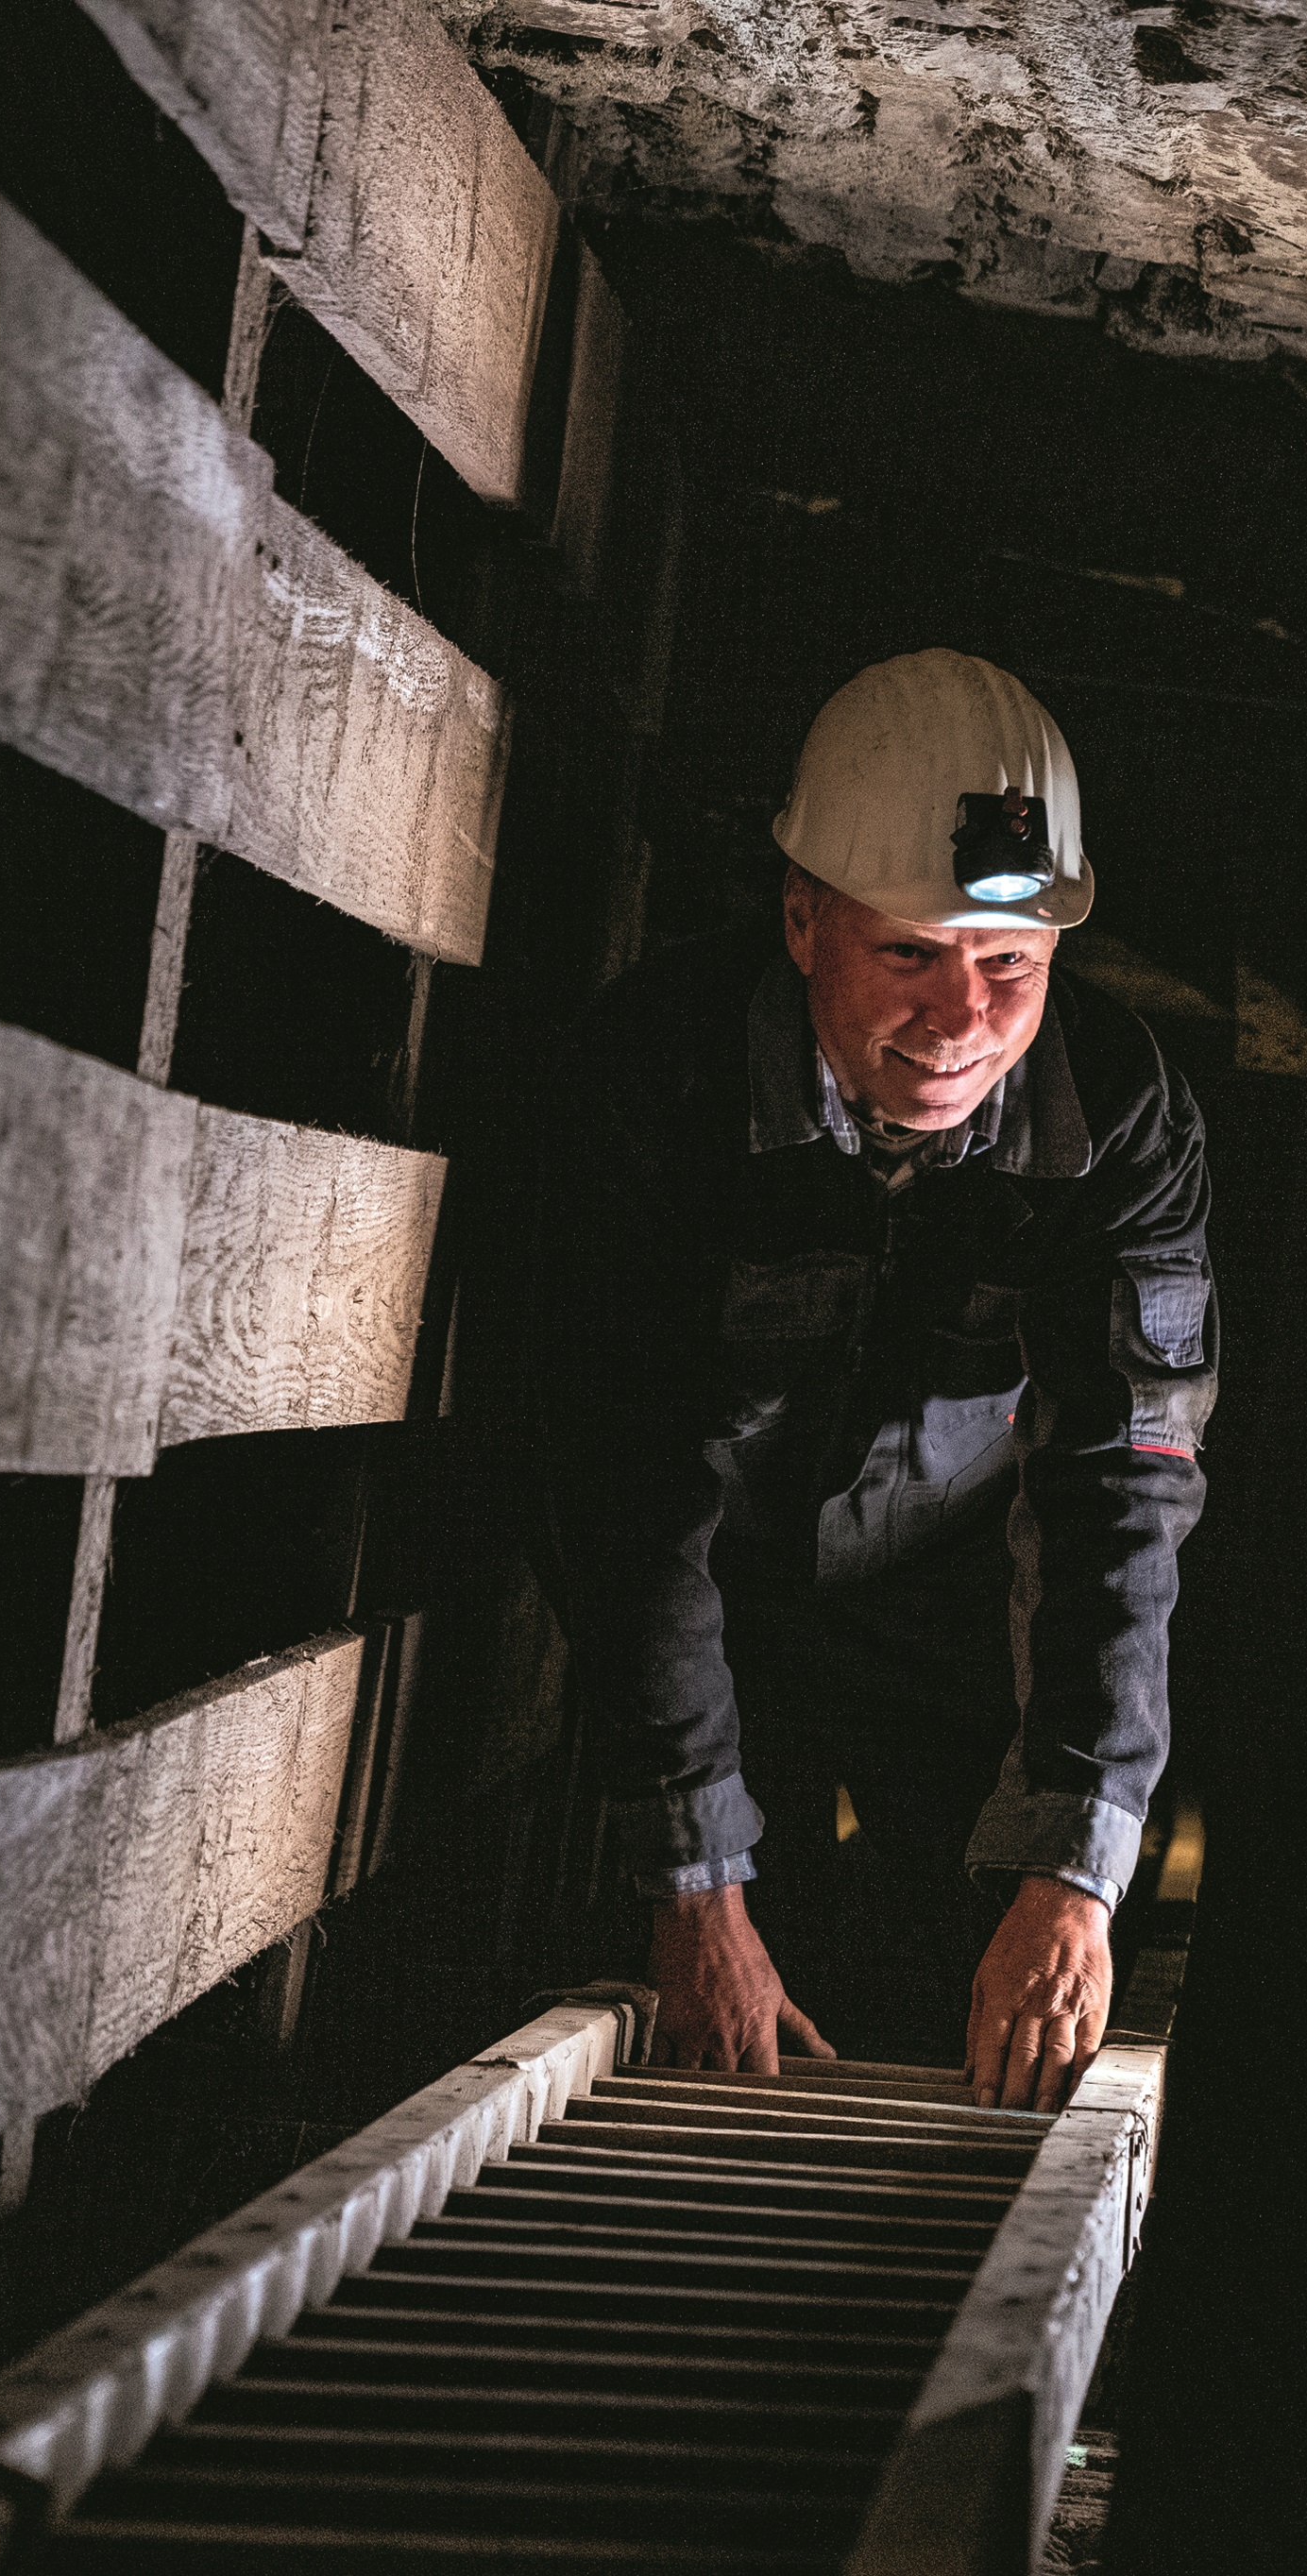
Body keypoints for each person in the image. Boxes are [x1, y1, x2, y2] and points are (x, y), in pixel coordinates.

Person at [535, 649, 1216, 2110]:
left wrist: (1077, 1862)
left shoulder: (1124, 1118)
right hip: (698, 1590)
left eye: (1009, 966)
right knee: (670, 2008)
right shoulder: (655, 1082)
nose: (963, 1018)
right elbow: (625, 1481)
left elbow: (1123, 1489)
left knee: (1005, 1982)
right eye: (911, 951)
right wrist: (694, 1875)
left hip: (953, 1599)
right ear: (802, 919)